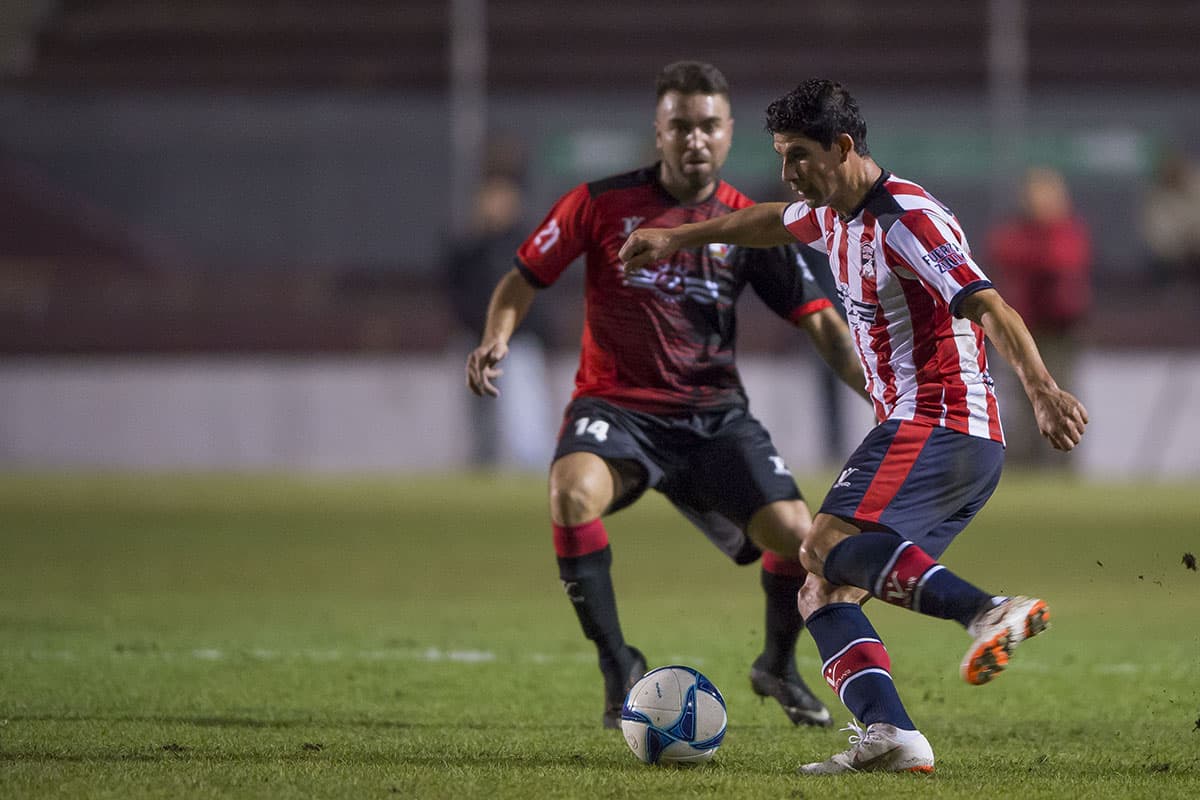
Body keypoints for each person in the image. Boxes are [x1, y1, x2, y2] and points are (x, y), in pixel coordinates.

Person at [620, 78, 1088, 774]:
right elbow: (770, 220)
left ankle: (987, 611)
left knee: (822, 543)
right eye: (781, 155)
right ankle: (893, 735)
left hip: (939, 420)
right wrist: (679, 238)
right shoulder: (831, 211)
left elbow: (989, 303)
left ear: (843, 147)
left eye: (800, 155)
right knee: (824, 591)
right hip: (940, 437)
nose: (789, 172)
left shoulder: (907, 216)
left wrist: (1042, 389)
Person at [466, 62, 869, 731]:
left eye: (709, 125)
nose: (695, 139)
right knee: (569, 491)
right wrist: (495, 337)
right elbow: (522, 276)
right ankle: (617, 661)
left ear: (729, 131)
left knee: (799, 537)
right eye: (680, 125)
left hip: (712, 417)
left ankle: (775, 664)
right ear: (659, 131)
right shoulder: (598, 203)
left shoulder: (749, 225)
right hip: (616, 409)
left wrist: (882, 394)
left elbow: (822, 322)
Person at [445, 171, 555, 469]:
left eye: (503, 198)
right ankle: (483, 464)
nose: (496, 205)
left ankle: (533, 468)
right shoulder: (469, 246)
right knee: (479, 411)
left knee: (525, 413)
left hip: (517, 341)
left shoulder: (527, 243)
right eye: (490, 198)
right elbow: (453, 288)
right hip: (478, 340)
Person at [986, 167, 1092, 465]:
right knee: (1020, 403)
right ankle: (1022, 465)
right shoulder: (1016, 231)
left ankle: (1060, 466)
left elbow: (1060, 258)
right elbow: (1000, 250)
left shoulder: (1068, 230)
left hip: (1058, 333)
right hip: (1020, 331)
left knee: (1061, 399)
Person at [1140, 147, 1200, 286]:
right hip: (1169, 260)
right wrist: (1180, 242)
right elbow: (1156, 234)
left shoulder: (1196, 185)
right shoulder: (1154, 197)